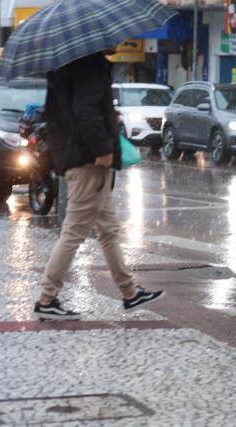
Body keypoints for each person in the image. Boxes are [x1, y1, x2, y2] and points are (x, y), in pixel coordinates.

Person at [34, 52, 163, 321]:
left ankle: (130, 293)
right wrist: (102, 148)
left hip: (78, 157)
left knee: (108, 230)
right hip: (89, 162)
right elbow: (85, 112)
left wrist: (106, 116)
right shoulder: (88, 66)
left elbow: (74, 112)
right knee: (74, 232)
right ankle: (47, 298)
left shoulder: (67, 67)